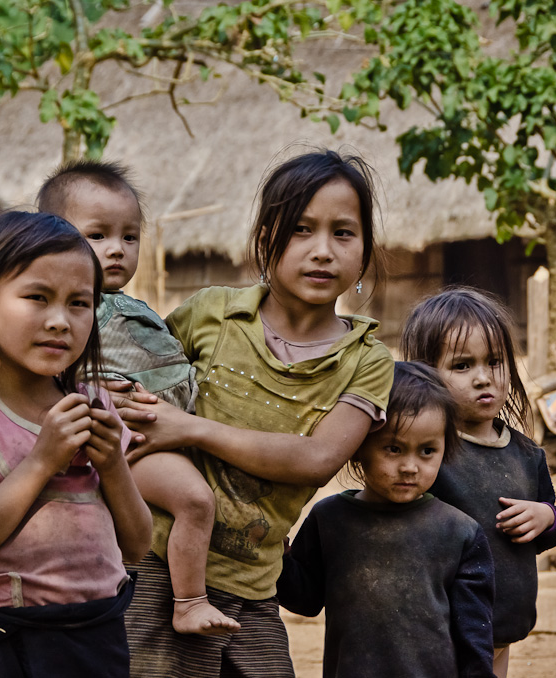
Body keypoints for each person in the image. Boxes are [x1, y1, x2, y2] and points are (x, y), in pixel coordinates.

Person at [115, 148, 395, 678]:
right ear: (267, 239)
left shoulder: (368, 361)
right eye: (301, 230)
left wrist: (191, 428)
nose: (322, 251)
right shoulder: (210, 314)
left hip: (253, 586)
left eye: (343, 233)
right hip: (150, 570)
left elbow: (316, 459)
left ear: (365, 249)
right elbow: (138, 389)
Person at [0, 210, 153, 678]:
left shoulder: (92, 403)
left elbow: (137, 545)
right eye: (37, 297)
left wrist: (113, 465)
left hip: (101, 635)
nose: (60, 321)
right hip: (7, 643)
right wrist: (41, 462)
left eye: (79, 303)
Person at [37, 160, 238, 637]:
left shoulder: (132, 307)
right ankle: (190, 602)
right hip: (121, 440)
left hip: (158, 433)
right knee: (195, 501)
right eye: (98, 235)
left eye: (130, 237)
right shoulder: (65, 313)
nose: (117, 250)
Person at [276, 361, 496, 678]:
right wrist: (279, 559)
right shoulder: (330, 520)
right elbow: (305, 599)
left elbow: (474, 636)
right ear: (355, 446)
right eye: (393, 449)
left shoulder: (459, 532)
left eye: (427, 451)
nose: (410, 466)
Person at [401, 286, 556, 678]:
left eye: (494, 362)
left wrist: (546, 517)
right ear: (427, 374)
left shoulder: (527, 454)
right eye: (462, 366)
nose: (483, 378)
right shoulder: (428, 454)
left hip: (501, 621)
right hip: (441, 622)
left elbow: (550, 526)